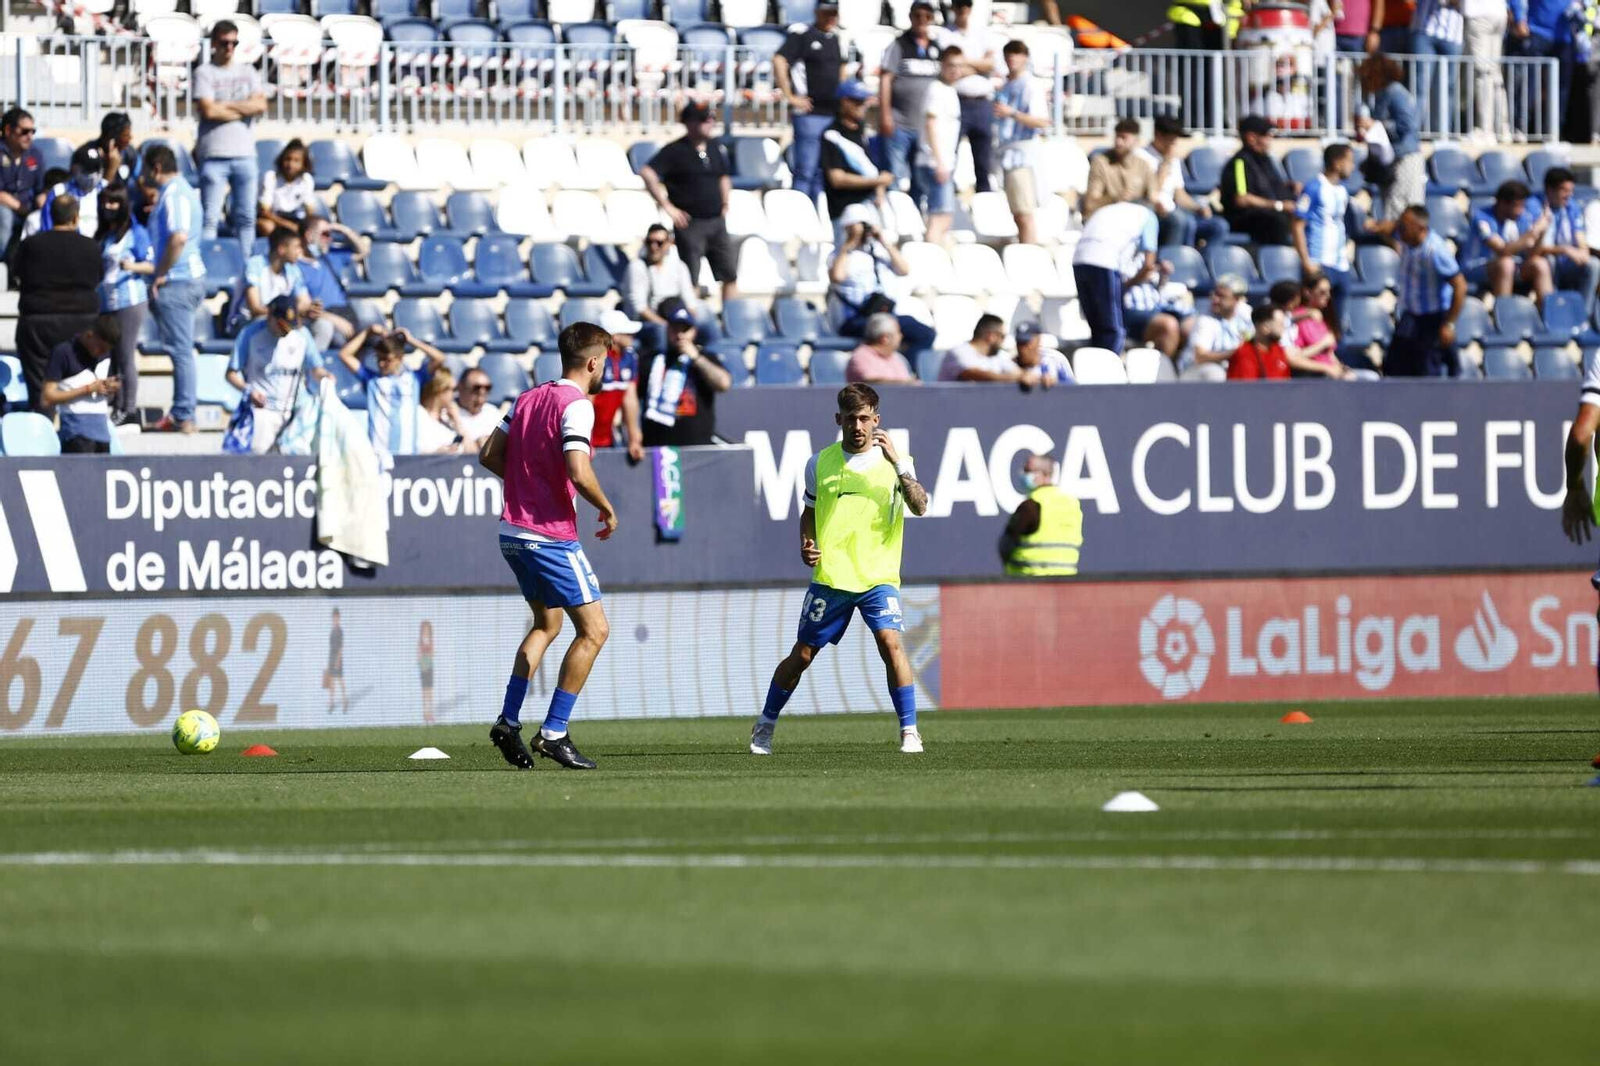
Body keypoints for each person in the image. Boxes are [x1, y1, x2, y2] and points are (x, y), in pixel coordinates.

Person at [749, 383, 931, 756]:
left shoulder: (898, 463)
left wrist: (899, 465)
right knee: (802, 655)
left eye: (865, 418)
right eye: (851, 418)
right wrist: (806, 542)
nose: (858, 426)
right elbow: (809, 512)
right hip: (832, 577)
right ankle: (765, 723)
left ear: (876, 420)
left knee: (891, 643)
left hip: (879, 576)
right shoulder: (820, 463)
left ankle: (910, 731)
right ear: (839, 420)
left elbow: (920, 506)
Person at [480, 320, 620, 772]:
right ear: (594, 362)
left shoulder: (527, 398)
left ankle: (508, 719)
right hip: (548, 536)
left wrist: (526, 486)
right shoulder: (577, 405)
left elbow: (488, 454)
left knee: (547, 624)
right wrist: (606, 506)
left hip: (512, 534)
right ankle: (554, 731)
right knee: (595, 630)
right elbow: (578, 471)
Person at [640, 103, 739, 304]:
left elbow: (723, 176)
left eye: (711, 119)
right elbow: (647, 172)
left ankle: (732, 318)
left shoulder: (714, 146)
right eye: (704, 119)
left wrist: (725, 201)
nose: (710, 123)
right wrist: (667, 206)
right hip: (690, 223)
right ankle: (689, 324)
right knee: (690, 278)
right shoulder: (675, 150)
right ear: (690, 123)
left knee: (729, 275)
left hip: (716, 221)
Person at [142, 144, 207, 434]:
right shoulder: (180, 192)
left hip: (178, 280)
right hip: (182, 279)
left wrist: (160, 273)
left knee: (181, 350)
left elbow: (178, 238)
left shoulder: (175, 194)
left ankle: (184, 414)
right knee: (180, 349)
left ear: (156, 167)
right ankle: (182, 412)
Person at [15, 195, 101, 411]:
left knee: (39, 388)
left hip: (37, 325)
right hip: (82, 324)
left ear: (51, 215)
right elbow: (98, 278)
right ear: (75, 217)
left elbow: (18, 275)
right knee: (78, 381)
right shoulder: (91, 247)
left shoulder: (30, 245)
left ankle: (43, 426)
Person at [225, 296, 330, 453]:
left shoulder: (301, 335)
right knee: (260, 460)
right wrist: (249, 391)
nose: (285, 331)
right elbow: (231, 373)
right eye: (281, 325)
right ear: (270, 316)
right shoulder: (250, 334)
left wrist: (327, 378)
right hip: (262, 410)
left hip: (293, 411)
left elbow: (316, 368)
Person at [335, 323, 447, 467]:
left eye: (387, 359)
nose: (381, 364)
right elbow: (344, 354)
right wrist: (367, 332)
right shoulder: (372, 380)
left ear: (400, 358)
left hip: (407, 456)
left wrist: (411, 340)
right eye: (379, 359)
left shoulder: (414, 379)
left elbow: (439, 358)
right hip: (378, 458)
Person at [194, 20, 266, 240]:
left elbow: (261, 105)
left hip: (245, 154)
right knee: (210, 219)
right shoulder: (204, 72)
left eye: (234, 43)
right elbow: (208, 111)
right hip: (214, 155)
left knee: (246, 218)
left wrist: (223, 104)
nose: (230, 48)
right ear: (214, 43)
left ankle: (247, 268)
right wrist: (244, 108)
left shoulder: (248, 71)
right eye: (225, 43)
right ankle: (209, 267)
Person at [828, 208, 936, 352]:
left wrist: (883, 240)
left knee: (925, 333)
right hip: (854, 319)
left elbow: (904, 270)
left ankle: (907, 370)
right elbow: (837, 277)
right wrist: (850, 242)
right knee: (892, 330)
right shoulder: (838, 255)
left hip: (883, 315)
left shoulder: (878, 251)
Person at [774, 0, 845, 205]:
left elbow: (841, 69)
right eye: (827, 13)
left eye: (834, 13)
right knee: (806, 170)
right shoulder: (802, 35)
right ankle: (799, 218)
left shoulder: (836, 38)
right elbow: (779, 60)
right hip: (809, 114)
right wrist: (790, 96)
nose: (831, 17)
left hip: (831, 113)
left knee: (824, 172)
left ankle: (819, 219)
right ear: (817, 12)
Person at [96, 182, 153, 423]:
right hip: (107, 302)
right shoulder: (104, 235)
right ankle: (115, 404)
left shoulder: (136, 233)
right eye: (106, 202)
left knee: (125, 354)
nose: (109, 207)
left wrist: (131, 266)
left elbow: (151, 265)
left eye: (114, 202)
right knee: (112, 356)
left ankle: (129, 409)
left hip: (129, 300)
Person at [640, 300, 733, 448]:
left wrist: (696, 358)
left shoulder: (706, 358)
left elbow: (723, 384)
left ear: (694, 331)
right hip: (657, 447)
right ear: (668, 329)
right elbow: (631, 395)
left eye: (685, 329)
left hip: (697, 447)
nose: (680, 335)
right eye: (675, 329)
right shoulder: (652, 360)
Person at [1071, 200, 1159, 354]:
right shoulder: (1149, 216)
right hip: (1104, 260)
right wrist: (1127, 285)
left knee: (1096, 327)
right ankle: (1110, 373)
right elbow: (1149, 266)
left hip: (1079, 259)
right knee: (1114, 331)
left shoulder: (1112, 210)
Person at [878, 1, 944, 204]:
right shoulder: (899, 44)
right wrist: (885, 114)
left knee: (920, 179)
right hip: (900, 123)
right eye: (918, 15)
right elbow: (885, 79)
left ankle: (915, 220)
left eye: (926, 16)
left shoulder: (936, 47)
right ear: (910, 17)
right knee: (896, 177)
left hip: (925, 127)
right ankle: (896, 221)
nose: (922, 20)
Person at [1389, 203, 1465, 377]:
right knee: (1395, 364)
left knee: (1428, 367)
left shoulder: (1435, 251)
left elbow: (1460, 285)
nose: (1400, 230)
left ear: (1420, 228)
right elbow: (1389, 228)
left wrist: (1449, 323)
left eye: (1404, 227)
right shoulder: (1407, 241)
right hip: (1412, 314)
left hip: (1432, 317)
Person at [622, 223, 719, 352]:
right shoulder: (637, 267)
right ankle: (659, 366)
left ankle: (716, 354)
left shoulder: (678, 266)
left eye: (659, 242)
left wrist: (688, 326)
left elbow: (690, 301)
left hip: (674, 316)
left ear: (669, 244)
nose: (654, 247)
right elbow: (640, 309)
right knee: (660, 330)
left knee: (704, 311)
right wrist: (669, 327)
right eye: (649, 242)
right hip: (646, 322)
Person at [939, 0, 1001, 194]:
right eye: (959, 5)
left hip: (982, 102)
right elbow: (949, 69)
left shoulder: (982, 32)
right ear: (953, 8)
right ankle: (946, 200)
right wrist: (978, 65)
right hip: (956, 101)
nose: (963, 9)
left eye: (966, 5)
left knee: (984, 161)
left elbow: (991, 64)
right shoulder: (944, 34)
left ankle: (985, 201)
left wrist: (962, 62)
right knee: (950, 156)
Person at [820, 80, 894, 243]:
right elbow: (837, 178)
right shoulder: (831, 135)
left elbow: (874, 168)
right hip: (845, 212)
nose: (863, 106)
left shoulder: (862, 131)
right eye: (858, 101)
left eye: (864, 101)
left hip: (870, 208)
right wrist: (877, 181)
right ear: (844, 102)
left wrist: (879, 188)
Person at [993, 39, 1051, 245]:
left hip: (1022, 157)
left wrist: (1013, 114)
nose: (1013, 58)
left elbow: (1042, 121)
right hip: (1008, 154)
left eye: (1018, 53)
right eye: (1009, 54)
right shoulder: (1006, 85)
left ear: (1026, 57)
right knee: (1017, 213)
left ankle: (1030, 254)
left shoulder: (1031, 84)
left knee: (1024, 213)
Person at [1294, 143, 1356, 332]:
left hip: (1340, 264)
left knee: (1338, 322)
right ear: (1337, 163)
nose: (1352, 167)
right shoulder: (1314, 188)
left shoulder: (1343, 190)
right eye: (1349, 161)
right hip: (1319, 262)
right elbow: (1297, 224)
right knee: (1315, 319)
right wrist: (1306, 261)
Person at [1143, 115, 1229, 250]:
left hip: (1174, 211)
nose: (1173, 145)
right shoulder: (1141, 158)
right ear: (1157, 135)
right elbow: (1150, 194)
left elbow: (1179, 195)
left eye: (1174, 141)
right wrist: (1165, 164)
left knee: (1219, 226)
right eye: (1170, 140)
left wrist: (1198, 208)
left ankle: (1202, 265)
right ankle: (1173, 262)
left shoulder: (1173, 159)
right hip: (1154, 212)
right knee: (1182, 221)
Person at [1357, 55, 1422, 226]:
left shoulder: (1395, 92)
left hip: (1404, 160)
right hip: (1392, 161)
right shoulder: (1382, 95)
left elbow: (1406, 126)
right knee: (1393, 210)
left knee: (1400, 211)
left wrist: (1376, 125)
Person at [40, 316, 121, 453]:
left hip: (102, 432)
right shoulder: (63, 353)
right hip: (75, 432)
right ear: (90, 335)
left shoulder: (106, 356)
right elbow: (47, 397)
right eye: (100, 348)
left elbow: (108, 388)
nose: (103, 353)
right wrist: (87, 389)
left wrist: (110, 387)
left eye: (107, 350)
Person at [1527, 167, 1600, 315]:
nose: (1569, 195)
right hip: (1541, 260)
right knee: (1548, 260)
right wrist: (1565, 250)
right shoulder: (1533, 206)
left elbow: (1580, 238)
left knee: (1593, 264)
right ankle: (1552, 310)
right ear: (1549, 189)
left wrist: (1582, 252)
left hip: (1566, 262)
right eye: (1564, 190)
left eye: (1570, 190)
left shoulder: (1571, 205)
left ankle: (1583, 314)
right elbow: (1535, 248)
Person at [1221, 115, 1299, 245]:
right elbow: (1242, 198)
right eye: (1266, 136)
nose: (1270, 140)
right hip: (1246, 218)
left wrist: (1289, 187)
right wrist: (1278, 206)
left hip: (1269, 212)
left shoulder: (1266, 160)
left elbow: (1269, 186)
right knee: (1277, 221)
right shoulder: (1240, 162)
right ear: (1251, 137)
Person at [998, 453, 1082, 576]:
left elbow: (1005, 545)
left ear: (1043, 475)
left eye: (1028, 470)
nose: (1022, 474)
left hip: (1029, 582)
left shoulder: (1031, 506)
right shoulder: (1072, 504)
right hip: (1066, 583)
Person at [917, 47, 965, 245]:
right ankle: (930, 264)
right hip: (935, 162)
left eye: (959, 66)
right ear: (942, 66)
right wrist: (940, 162)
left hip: (942, 162)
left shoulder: (949, 90)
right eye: (951, 65)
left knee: (944, 219)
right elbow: (930, 125)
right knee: (940, 218)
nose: (955, 70)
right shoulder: (937, 89)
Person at [1463, 179, 1542, 298]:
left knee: (1540, 263)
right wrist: (1533, 232)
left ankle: (1547, 312)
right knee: (1506, 264)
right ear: (1502, 203)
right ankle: (1504, 313)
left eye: (1523, 206)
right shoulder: (1482, 218)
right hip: (1476, 267)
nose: (1521, 211)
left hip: (1511, 265)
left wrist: (1541, 232)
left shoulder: (1522, 218)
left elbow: (1533, 253)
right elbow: (1503, 250)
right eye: (1517, 206)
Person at [297, 214, 364, 350]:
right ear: (309, 236)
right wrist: (335, 320)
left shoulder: (331, 256)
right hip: (321, 317)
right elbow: (304, 307)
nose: (330, 239)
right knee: (337, 338)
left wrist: (344, 230)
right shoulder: (295, 266)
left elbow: (363, 251)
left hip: (345, 313)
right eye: (325, 234)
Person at [593, 308, 645, 460]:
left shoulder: (629, 357)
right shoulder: (595, 359)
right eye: (626, 332)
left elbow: (630, 400)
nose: (632, 335)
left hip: (607, 438)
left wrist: (634, 438)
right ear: (613, 336)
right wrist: (583, 440)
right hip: (585, 439)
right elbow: (585, 400)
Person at [939, 313, 1041, 385]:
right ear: (991, 336)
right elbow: (977, 375)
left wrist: (1032, 377)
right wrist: (1017, 378)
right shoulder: (958, 353)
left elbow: (1019, 373)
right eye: (1002, 336)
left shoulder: (998, 356)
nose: (1004, 341)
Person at [1082, 119, 1155, 220]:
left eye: (1124, 138)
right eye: (1117, 136)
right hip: (1108, 217)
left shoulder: (1143, 164)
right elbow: (1090, 204)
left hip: (1137, 216)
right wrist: (1115, 199)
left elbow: (1153, 197)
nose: (1118, 142)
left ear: (1136, 140)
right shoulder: (1101, 162)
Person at [238, 225, 310, 327]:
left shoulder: (293, 270)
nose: (300, 251)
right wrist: (284, 314)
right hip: (249, 323)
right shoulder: (255, 265)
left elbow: (304, 302)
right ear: (281, 249)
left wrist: (310, 309)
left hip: (281, 322)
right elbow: (255, 309)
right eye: (296, 247)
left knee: (321, 324)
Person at [1411, 0, 1466, 135]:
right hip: (1425, 31)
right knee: (1420, 86)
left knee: (1448, 88)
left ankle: (1443, 133)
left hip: (1453, 35)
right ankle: (1412, 132)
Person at [0, 108, 46, 265]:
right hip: (7, 209)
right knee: (4, 216)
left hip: (27, 208)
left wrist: (44, 210)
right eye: (25, 131)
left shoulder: (35, 154)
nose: (30, 136)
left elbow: (40, 191)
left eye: (33, 131)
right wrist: (24, 210)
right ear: (8, 130)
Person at [1185, 274, 1253, 379]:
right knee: (1216, 374)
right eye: (1215, 294)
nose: (1215, 299)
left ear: (1236, 299)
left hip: (1229, 368)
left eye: (1222, 296)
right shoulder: (1205, 319)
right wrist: (1236, 353)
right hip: (1195, 371)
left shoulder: (1246, 314)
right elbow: (1200, 356)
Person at [1464, 0, 1513, 139]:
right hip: (1498, 14)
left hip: (1480, 14)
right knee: (1494, 73)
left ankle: (1485, 130)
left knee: (1483, 73)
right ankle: (1502, 129)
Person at [41, 145, 106, 238]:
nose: (93, 175)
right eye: (88, 170)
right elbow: (47, 227)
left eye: (97, 169)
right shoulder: (59, 192)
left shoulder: (106, 190)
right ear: (74, 169)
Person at [258, 138, 318, 236]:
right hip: (274, 219)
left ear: (304, 164)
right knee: (266, 226)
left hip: (296, 219)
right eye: (288, 159)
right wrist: (289, 226)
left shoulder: (307, 179)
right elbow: (265, 211)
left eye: (296, 161)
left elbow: (310, 210)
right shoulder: (271, 177)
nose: (290, 164)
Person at [1227, 305, 1294, 381]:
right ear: (1264, 328)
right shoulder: (1245, 354)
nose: (1283, 328)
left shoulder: (1278, 350)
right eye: (1280, 324)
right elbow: (1245, 390)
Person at [846, 313, 916, 384]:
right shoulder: (861, 356)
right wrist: (906, 384)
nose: (901, 336)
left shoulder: (896, 358)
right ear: (885, 338)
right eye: (898, 332)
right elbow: (871, 384)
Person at [417, 369, 469, 454]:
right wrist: (438, 452)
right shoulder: (418, 414)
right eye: (453, 390)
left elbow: (471, 452)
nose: (455, 394)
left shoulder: (450, 418)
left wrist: (457, 421)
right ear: (440, 390)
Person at [455, 366, 506, 444]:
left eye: (487, 388)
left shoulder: (493, 413)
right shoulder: (445, 414)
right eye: (476, 388)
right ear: (461, 387)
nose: (481, 397)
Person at [86, 111, 135, 186]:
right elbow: (91, 193)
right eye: (125, 135)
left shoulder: (129, 153)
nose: (130, 138)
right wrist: (112, 168)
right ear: (111, 138)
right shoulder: (89, 154)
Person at [325, 608, 348, 715]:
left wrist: (338, 660)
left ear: (339, 618)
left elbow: (340, 647)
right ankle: (331, 702)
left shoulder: (340, 631)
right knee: (331, 681)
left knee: (339, 679)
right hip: (331, 656)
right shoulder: (332, 630)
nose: (335, 619)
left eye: (337, 617)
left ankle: (344, 701)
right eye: (334, 617)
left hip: (337, 657)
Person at [418, 621, 436, 725]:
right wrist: (422, 664)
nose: (425, 631)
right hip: (423, 667)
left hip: (429, 667)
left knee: (429, 691)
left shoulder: (430, 640)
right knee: (425, 691)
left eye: (427, 629)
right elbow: (418, 655)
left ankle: (430, 713)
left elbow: (432, 653)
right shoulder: (420, 641)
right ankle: (425, 713)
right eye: (424, 629)